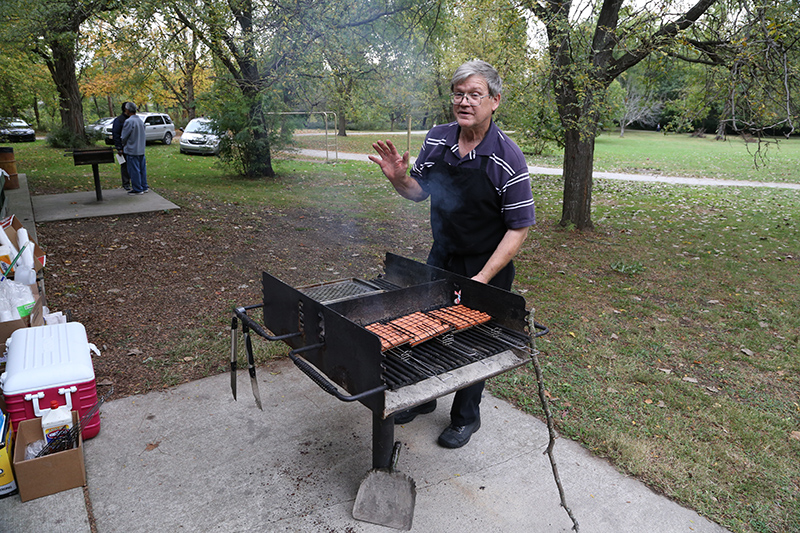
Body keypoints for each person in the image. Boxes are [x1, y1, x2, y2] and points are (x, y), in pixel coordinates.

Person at [370, 60, 536, 449]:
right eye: (459, 94)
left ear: (494, 101)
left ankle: (465, 417)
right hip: (442, 254)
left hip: (486, 263)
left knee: (475, 340)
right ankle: (423, 398)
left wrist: (483, 279)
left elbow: (519, 227)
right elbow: (419, 192)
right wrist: (399, 179)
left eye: (474, 94)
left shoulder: (507, 157)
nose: (464, 102)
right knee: (425, 326)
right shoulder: (439, 138)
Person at [119, 102, 149, 195]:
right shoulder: (140, 120)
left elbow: (124, 136)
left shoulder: (129, 121)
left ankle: (137, 189)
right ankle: (144, 186)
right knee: (142, 169)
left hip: (132, 150)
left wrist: (122, 145)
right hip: (140, 149)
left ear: (127, 110)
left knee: (134, 170)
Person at [111, 102, 131, 191]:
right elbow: (116, 134)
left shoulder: (132, 118)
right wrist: (119, 147)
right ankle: (126, 183)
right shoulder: (119, 120)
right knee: (125, 165)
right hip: (124, 147)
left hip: (133, 146)